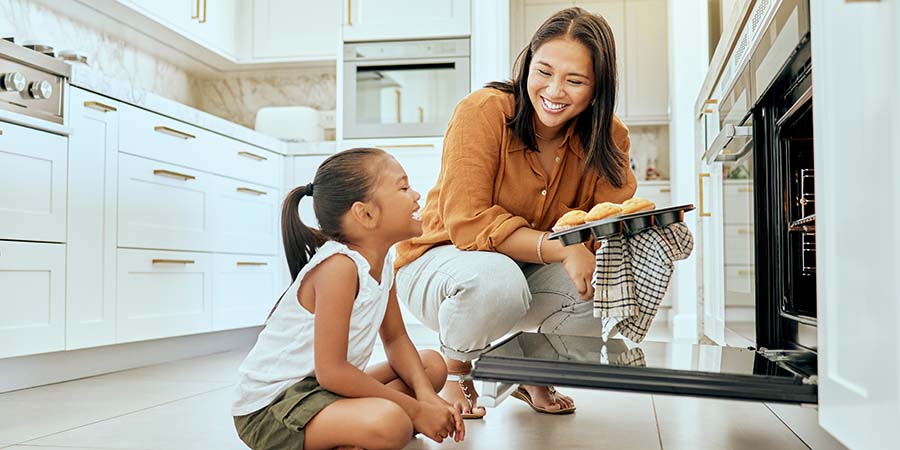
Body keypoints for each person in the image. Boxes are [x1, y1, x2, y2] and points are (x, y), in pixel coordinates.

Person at [394, 7, 637, 418]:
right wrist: (562, 248)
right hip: (443, 264)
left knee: (614, 283)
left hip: (525, 272)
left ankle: (531, 369)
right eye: (543, 71)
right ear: (527, 64)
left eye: (574, 80)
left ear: (597, 89)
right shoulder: (484, 111)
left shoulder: (610, 136)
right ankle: (455, 371)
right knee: (496, 281)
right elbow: (469, 223)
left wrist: (606, 244)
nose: (554, 90)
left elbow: (608, 221)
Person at [232, 148, 465, 450]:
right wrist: (417, 411)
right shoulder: (339, 268)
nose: (417, 195)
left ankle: (350, 433)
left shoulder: (382, 261)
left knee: (431, 365)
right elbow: (333, 371)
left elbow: (395, 339)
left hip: (320, 390)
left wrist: (427, 397)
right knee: (391, 422)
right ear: (365, 213)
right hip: (272, 408)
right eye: (403, 187)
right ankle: (360, 430)